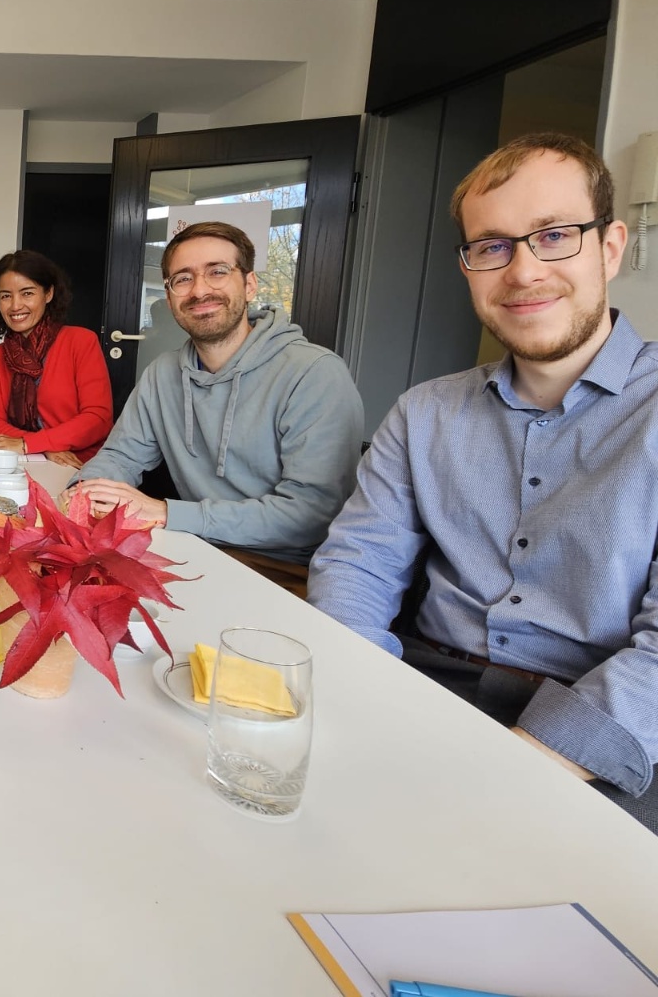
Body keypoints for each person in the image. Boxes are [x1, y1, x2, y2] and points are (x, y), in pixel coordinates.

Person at [310, 133, 658, 821]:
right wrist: (357, 696)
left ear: (610, 247)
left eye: (553, 235)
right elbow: (358, 563)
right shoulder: (424, 412)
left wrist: (508, 771)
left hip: (605, 727)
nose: (523, 272)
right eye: (492, 246)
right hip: (425, 686)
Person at [68, 221, 363, 592]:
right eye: (183, 278)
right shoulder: (162, 373)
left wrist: (167, 513)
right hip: (191, 546)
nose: (200, 290)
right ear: (170, 296)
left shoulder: (314, 373)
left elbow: (311, 515)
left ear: (250, 284)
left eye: (218, 272)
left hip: (284, 569)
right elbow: (121, 456)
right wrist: (84, 492)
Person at [0, 250, 113, 467]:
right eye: (6, 296)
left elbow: (98, 419)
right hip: (23, 461)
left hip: (79, 463)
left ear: (48, 294)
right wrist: (43, 446)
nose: (15, 305)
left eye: (27, 293)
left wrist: (29, 443)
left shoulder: (81, 341)